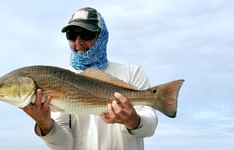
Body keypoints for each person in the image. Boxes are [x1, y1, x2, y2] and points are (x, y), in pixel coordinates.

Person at [23, 7, 158, 150]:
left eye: (86, 34)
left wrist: (134, 121)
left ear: (102, 36)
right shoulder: (59, 79)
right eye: (72, 35)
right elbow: (64, 145)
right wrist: (44, 124)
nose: (78, 42)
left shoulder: (132, 72)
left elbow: (149, 127)